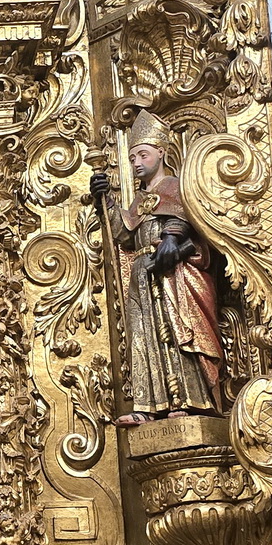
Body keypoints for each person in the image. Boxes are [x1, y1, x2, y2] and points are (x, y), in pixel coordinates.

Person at [90, 110, 223, 425]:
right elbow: (124, 236)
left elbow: (190, 216)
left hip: (173, 275)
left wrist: (173, 237)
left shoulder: (176, 186)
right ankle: (149, 406)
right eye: (132, 157)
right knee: (144, 338)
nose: (136, 162)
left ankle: (189, 400)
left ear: (161, 152)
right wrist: (105, 200)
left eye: (143, 155)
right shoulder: (140, 200)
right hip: (143, 274)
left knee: (176, 333)